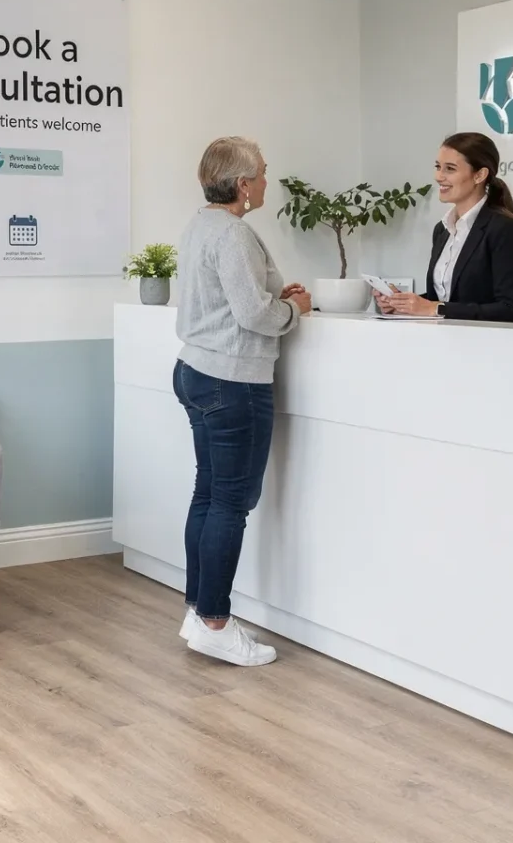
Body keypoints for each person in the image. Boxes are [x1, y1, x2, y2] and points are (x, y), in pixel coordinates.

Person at [172, 137, 311, 667]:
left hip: (197, 372)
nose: (267, 181)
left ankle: (198, 610)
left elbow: (238, 301)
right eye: (263, 173)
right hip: (232, 381)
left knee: (208, 496)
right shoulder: (233, 233)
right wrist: (295, 310)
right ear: (243, 184)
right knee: (229, 503)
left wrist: (279, 299)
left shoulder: (199, 225)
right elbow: (254, 314)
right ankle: (215, 622)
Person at [377, 131, 513, 323]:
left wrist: (434, 308)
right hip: (448, 341)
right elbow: (450, 301)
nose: (438, 176)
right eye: (438, 167)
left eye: (450, 169)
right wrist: (403, 304)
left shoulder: (505, 228)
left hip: (491, 345)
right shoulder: (442, 230)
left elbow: (511, 309)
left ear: (479, 175)